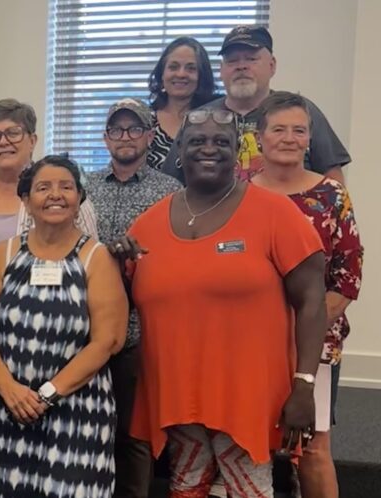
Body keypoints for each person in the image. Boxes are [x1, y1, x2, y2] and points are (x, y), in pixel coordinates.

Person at [121, 109, 327, 497]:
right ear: (179, 150)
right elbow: (125, 302)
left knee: (248, 489)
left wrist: (304, 384)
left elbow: (312, 299)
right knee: (185, 487)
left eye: (222, 142)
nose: (209, 149)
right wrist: (116, 264)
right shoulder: (146, 224)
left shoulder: (277, 213)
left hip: (247, 393)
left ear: (238, 152)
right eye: (198, 141)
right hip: (176, 392)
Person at [0, 98, 99, 495]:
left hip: (57, 360)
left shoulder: (64, 191)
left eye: (14, 133)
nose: (3, 142)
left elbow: (91, 266)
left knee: (50, 474)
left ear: (32, 138)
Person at [0, 155, 128, 497]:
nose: (56, 195)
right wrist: (10, 390)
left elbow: (107, 341)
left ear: (80, 198)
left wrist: (46, 395)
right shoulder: (2, 255)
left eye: (66, 187)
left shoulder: (96, 258)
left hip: (74, 414)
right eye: (43, 187)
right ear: (26, 201)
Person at [250, 92, 363, 498]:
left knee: (313, 449)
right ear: (260, 138)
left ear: (309, 139)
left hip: (315, 346)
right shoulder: (238, 194)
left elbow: (348, 277)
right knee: (249, 443)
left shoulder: (332, 196)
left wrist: (303, 331)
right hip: (249, 344)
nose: (288, 138)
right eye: (278, 129)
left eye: (298, 130)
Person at [84, 98, 181, 498]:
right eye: (117, 130)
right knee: (88, 425)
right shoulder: (83, 187)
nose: (125, 137)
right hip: (86, 326)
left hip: (141, 329)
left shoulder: (170, 192)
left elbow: (176, 256)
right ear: (106, 138)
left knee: (134, 431)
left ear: (150, 135)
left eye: (135, 129)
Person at [161, 25, 351, 184]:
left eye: (251, 59)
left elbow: (333, 180)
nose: (241, 66)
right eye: (232, 61)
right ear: (221, 70)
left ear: (272, 65)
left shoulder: (299, 112)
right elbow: (170, 183)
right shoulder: (198, 119)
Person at [146, 36, 217, 171]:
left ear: (201, 76)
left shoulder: (216, 120)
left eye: (190, 68)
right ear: (162, 74)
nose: (181, 74)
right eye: (173, 67)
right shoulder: (144, 122)